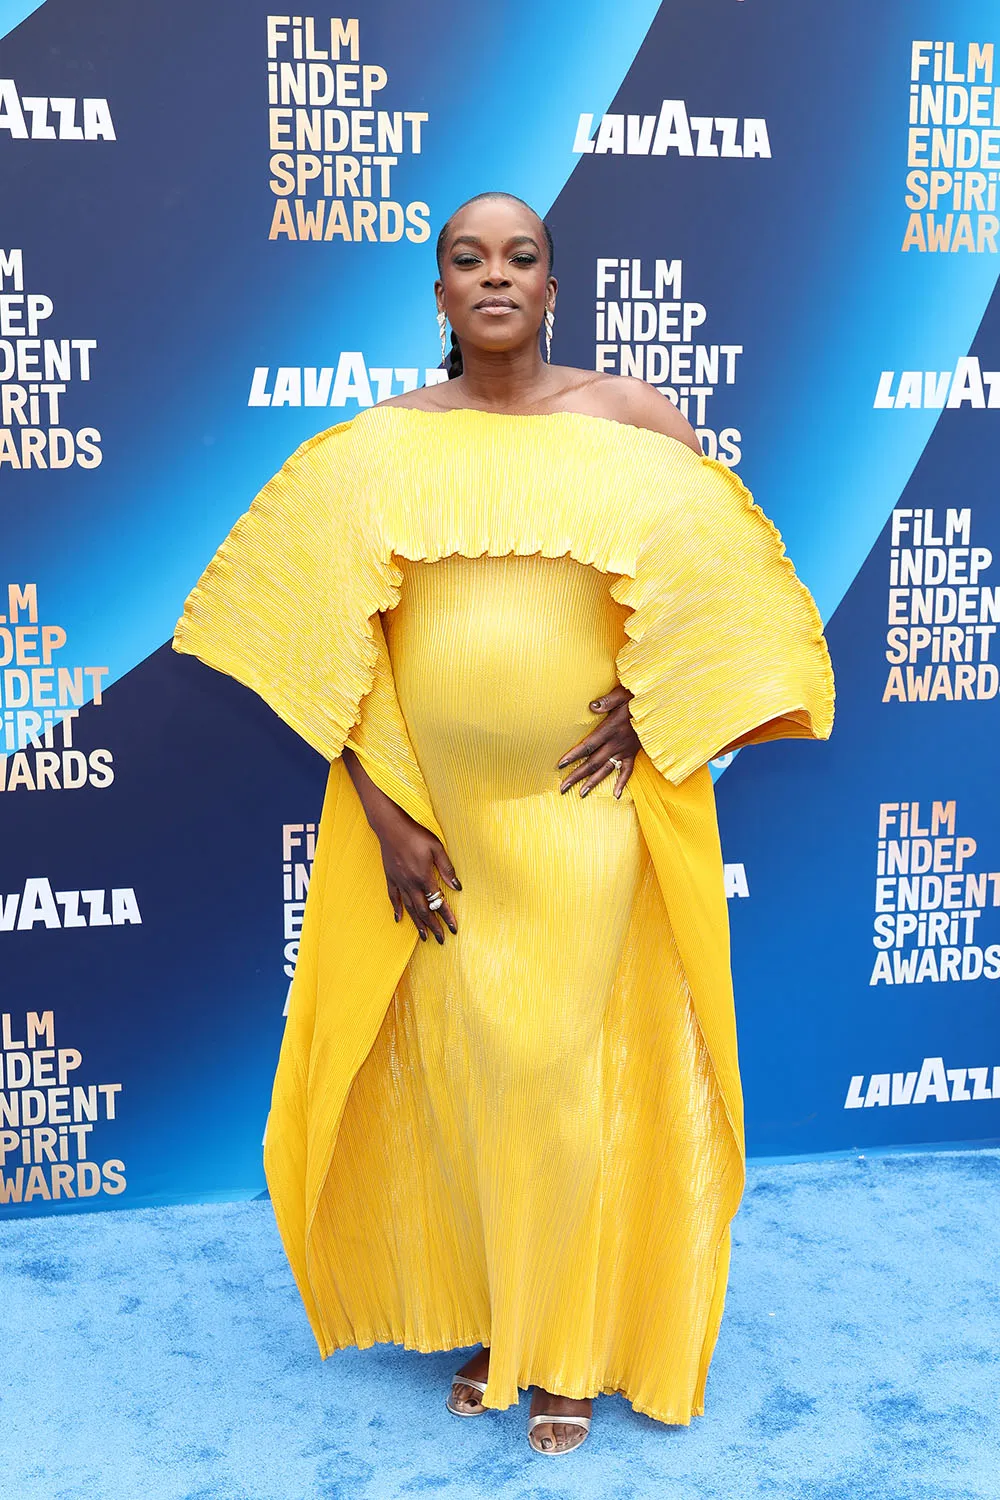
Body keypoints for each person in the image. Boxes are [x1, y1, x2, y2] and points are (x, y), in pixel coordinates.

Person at [173, 191, 834, 1456]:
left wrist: (657, 698)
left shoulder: (629, 418)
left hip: (585, 811)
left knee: (556, 1070)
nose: (493, 275)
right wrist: (385, 818)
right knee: (478, 1076)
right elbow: (331, 652)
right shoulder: (376, 447)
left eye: (518, 257)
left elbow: (725, 591)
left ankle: (568, 1345)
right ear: (439, 294)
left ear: (549, 286)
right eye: (467, 259)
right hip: (441, 822)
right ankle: (510, 1319)